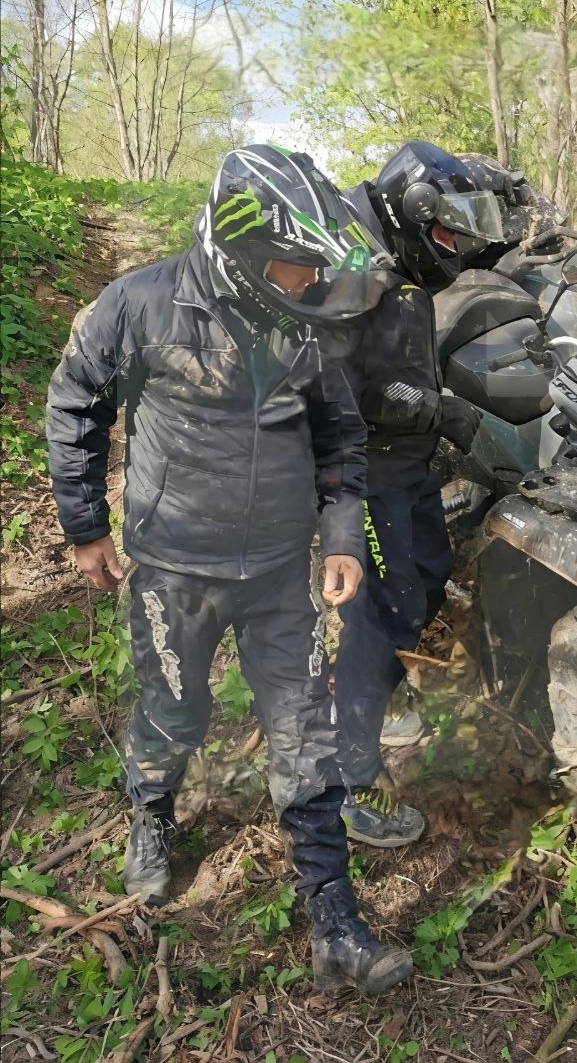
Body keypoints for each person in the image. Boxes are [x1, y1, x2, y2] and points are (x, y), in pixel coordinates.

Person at [45, 143, 412, 994]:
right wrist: (84, 526)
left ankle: (335, 921)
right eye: (294, 265)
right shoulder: (140, 303)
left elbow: (340, 439)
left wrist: (342, 538)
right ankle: (152, 813)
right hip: (174, 567)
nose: (308, 281)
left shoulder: (305, 322)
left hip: (280, 571)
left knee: (304, 733)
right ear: (239, 249)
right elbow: (75, 404)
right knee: (175, 707)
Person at [331, 142, 507, 847]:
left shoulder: (397, 248)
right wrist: (438, 411)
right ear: (413, 209)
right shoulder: (351, 267)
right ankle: (350, 780)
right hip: (360, 468)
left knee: (429, 571)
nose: (452, 249)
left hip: (403, 459)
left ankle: (375, 690)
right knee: (382, 610)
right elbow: (344, 388)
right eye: (445, 232)